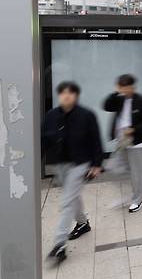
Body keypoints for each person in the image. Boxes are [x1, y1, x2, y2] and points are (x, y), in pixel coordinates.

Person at [42, 82, 103, 263]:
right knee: (74, 196)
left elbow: (96, 141)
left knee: (67, 202)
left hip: (80, 164)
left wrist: (97, 164)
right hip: (61, 165)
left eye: (70, 93)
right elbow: (43, 140)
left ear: (76, 96)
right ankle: (83, 223)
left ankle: (59, 244)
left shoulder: (86, 115)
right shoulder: (51, 116)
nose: (66, 96)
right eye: (63, 93)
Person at [103, 74, 142, 213]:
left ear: (132, 87)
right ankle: (130, 195)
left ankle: (137, 200)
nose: (123, 90)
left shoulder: (140, 101)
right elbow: (106, 106)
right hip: (121, 141)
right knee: (115, 168)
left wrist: (134, 129)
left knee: (137, 173)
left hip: (136, 142)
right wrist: (115, 93)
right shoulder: (119, 99)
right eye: (121, 87)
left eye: (125, 87)